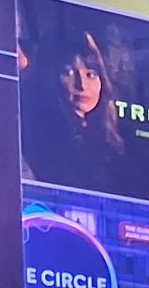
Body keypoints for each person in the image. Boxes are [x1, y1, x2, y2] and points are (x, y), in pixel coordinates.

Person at [22, 26, 127, 193]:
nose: (82, 85)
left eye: (91, 74)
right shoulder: (34, 136)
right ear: (50, 75)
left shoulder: (118, 142)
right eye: (69, 73)